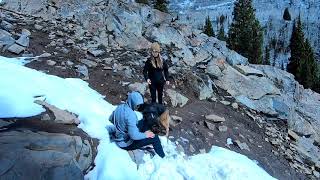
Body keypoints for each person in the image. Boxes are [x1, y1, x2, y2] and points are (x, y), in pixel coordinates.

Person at [108, 91, 165, 158]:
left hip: (120, 135)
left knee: (144, 121)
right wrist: (146, 135)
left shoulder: (120, 107)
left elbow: (111, 119)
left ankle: (147, 132)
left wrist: (121, 127)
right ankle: (163, 157)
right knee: (154, 138)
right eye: (137, 104)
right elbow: (134, 136)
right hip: (125, 143)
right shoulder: (131, 115)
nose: (137, 106)